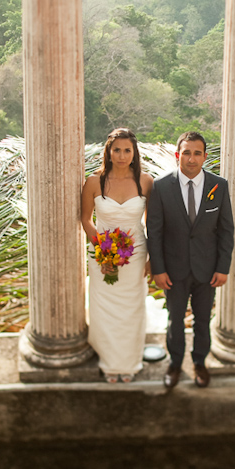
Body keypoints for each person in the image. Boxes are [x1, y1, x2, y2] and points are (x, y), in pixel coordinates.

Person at [146, 131, 234, 389]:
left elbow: (226, 230)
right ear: (177, 155)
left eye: (197, 153)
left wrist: (222, 266)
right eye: (186, 152)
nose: (192, 159)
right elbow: (155, 232)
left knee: (203, 320)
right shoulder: (161, 187)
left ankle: (199, 363)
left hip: (207, 269)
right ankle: (174, 365)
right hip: (173, 270)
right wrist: (158, 269)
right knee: (174, 320)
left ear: (205, 156)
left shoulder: (219, 186)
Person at [81, 127, 153, 383]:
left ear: (134, 153)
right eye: (117, 150)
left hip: (136, 253)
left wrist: (151, 258)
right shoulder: (93, 181)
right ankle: (109, 361)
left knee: (131, 306)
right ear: (108, 152)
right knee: (104, 306)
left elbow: (152, 223)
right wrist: (102, 249)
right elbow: (86, 219)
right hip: (102, 252)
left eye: (127, 150)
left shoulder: (146, 181)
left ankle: (130, 361)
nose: (122, 155)